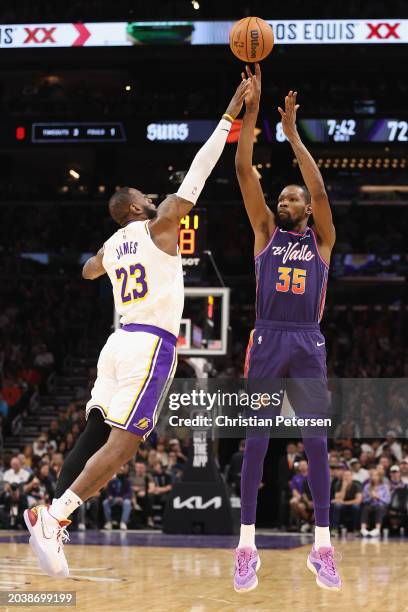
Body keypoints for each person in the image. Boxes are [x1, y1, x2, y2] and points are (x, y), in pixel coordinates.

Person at [24, 77, 251, 578]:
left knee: (97, 431)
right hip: (150, 343)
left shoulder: (115, 242)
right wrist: (228, 115)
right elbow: (199, 172)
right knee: (124, 446)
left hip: (116, 342)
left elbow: (87, 269)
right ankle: (55, 517)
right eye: (144, 195)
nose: (154, 196)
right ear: (133, 207)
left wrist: (105, 254)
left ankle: (52, 511)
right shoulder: (161, 222)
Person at [234, 64, 339, 593]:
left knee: (316, 442)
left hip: (308, 342)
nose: (285, 200)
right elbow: (242, 169)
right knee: (256, 441)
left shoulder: (322, 241)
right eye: (282, 197)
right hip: (268, 337)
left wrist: (294, 134)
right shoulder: (263, 233)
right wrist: (252, 114)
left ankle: (322, 546)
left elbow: (319, 187)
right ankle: (246, 546)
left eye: (292, 198)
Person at [102, 464, 133, 531]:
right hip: (114, 499)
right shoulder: (112, 481)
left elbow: (129, 493)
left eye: (121, 470)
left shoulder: (127, 481)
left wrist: (123, 498)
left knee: (127, 503)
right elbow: (108, 491)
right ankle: (109, 522)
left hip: (123, 499)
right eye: (118, 470)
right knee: (105, 503)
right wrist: (109, 496)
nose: (120, 472)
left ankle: (123, 522)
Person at [330, 469, 362, 533]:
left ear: (352, 476)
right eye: (345, 475)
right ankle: (335, 529)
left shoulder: (356, 485)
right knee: (337, 506)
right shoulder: (338, 484)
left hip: (351, 504)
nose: (347, 477)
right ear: (343, 477)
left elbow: (358, 500)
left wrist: (344, 502)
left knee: (356, 507)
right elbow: (338, 498)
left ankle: (356, 529)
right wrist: (344, 487)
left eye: (348, 475)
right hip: (342, 504)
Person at [360, 470, 391, 537]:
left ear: (380, 477)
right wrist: (370, 497)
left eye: (376, 475)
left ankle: (377, 529)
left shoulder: (384, 487)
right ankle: (363, 529)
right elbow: (364, 500)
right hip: (370, 505)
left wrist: (378, 497)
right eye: (372, 475)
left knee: (379, 508)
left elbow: (388, 500)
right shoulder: (367, 486)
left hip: (381, 506)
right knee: (365, 508)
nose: (374, 477)